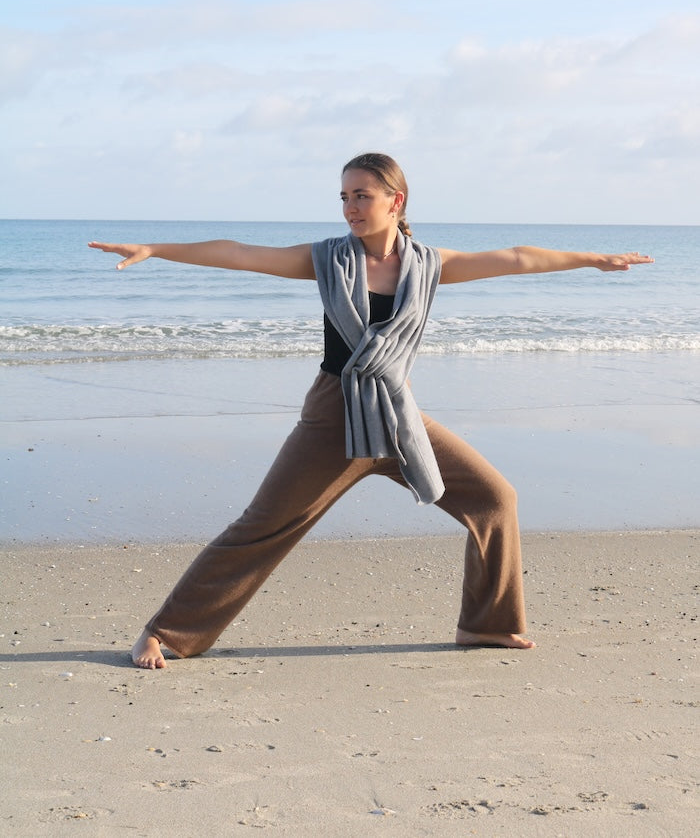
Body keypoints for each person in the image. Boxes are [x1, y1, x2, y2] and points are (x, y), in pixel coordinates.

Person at [89, 152, 652, 669]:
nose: (350, 207)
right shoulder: (327, 260)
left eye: (361, 194)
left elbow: (516, 257)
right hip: (334, 416)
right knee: (264, 527)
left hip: (397, 412)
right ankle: (164, 632)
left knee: (494, 499)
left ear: (394, 200)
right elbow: (240, 253)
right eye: (343, 197)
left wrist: (593, 260)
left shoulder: (430, 265)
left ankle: (487, 626)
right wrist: (156, 249)